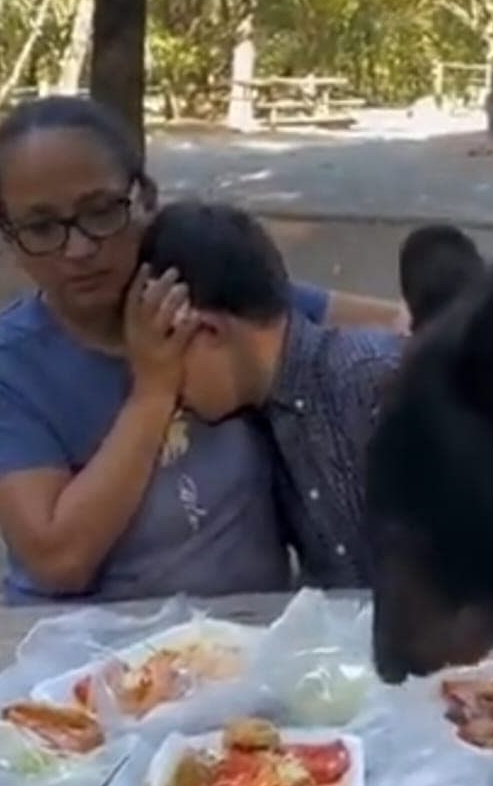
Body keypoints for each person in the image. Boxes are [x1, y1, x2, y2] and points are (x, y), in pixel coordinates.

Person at [0, 96, 405, 603]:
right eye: (41, 228)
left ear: (145, 198)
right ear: (8, 237)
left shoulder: (201, 289)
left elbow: (402, 323)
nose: (78, 249)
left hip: (248, 635)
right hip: (83, 639)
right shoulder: (0, 365)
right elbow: (58, 562)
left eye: (101, 212)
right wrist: (153, 392)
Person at [139, 201, 404, 587]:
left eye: (164, 349)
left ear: (208, 330)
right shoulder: (265, 418)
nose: (164, 381)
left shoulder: (370, 383)